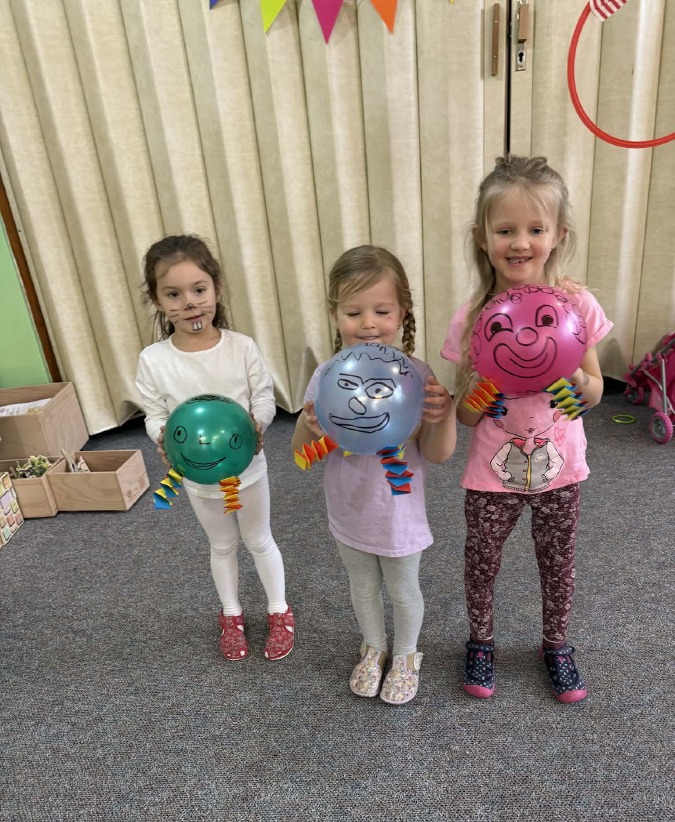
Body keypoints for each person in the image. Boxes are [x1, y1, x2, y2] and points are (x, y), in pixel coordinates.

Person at [442, 155, 613, 703]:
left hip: (561, 467)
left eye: (536, 229)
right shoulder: (473, 316)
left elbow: (594, 389)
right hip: (492, 471)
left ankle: (556, 646)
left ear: (558, 234)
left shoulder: (576, 304)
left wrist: (578, 385)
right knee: (482, 560)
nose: (520, 243)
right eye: (505, 230)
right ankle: (481, 641)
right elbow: (465, 415)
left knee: (558, 562)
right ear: (481, 237)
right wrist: (481, 391)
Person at [292, 245, 456, 705]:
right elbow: (303, 457)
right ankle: (374, 648)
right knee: (362, 586)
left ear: (402, 312)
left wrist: (443, 416)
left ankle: (405, 655)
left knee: (402, 589)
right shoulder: (328, 375)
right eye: (353, 312)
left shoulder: (418, 376)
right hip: (349, 508)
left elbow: (438, 454)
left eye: (382, 311)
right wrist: (308, 427)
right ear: (334, 314)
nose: (368, 323)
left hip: (398, 512)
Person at [135, 234, 294, 662]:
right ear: (157, 300)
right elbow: (153, 413)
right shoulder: (154, 360)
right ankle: (231, 614)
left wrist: (258, 423)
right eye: (173, 294)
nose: (189, 303)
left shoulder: (241, 347)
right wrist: (161, 435)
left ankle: (279, 611)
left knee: (259, 539)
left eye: (199, 289)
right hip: (198, 475)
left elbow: (263, 398)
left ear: (216, 289)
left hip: (247, 469)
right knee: (222, 545)